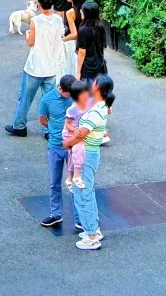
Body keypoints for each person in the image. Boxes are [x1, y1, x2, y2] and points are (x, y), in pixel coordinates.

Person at [63, 74, 114, 252]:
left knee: (83, 193)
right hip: (89, 153)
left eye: (94, 83)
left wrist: (67, 143)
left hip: (85, 154)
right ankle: (92, 229)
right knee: (86, 192)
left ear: (97, 87)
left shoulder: (95, 111)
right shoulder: (100, 106)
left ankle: (91, 236)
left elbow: (81, 133)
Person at [6, 0, 66, 135]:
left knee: (25, 98)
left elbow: (31, 42)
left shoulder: (35, 21)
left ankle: (19, 125)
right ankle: (49, 129)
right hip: (52, 65)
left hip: (35, 66)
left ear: (39, 3)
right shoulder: (58, 20)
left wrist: (27, 34)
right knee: (50, 99)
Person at [38, 73, 76, 229]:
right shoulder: (47, 100)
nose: (71, 96)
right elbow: (43, 120)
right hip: (55, 146)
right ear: (61, 89)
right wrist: (55, 131)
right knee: (54, 182)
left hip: (73, 146)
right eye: (69, 94)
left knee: (76, 182)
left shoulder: (76, 96)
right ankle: (56, 214)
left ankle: (80, 217)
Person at [63, 80, 92, 191]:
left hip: (79, 131)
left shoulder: (88, 104)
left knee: (72, 155)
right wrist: (74, 130)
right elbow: (67, 124)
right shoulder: (72, 109)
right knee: (78, 149)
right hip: (70, 133)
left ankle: (70, 178)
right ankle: (77, 175)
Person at [76, 0, 108, 84]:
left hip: (87, 67)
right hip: (99, 64)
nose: (80, 11)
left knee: (87, 89)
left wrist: (78, 71)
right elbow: (103, 46)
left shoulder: (83, 30)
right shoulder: (100, 27)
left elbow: (82, 52)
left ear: (87, 13)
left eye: (82, 10)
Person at [61, 0, 85, 77]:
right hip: (84, 40)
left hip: (72, 42)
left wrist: (62, 40)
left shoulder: (70, 12)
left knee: (70, 66)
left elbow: (74, 34)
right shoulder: (85, 9)